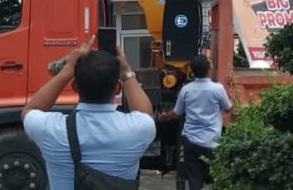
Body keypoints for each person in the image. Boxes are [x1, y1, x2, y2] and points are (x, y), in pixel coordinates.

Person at [22, 36, 156, 190]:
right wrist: (126, 71)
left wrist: (67, 70)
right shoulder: (138, 130)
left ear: (74, 87)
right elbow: (146, 114)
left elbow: (30, 110)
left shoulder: (51, 129)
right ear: (118, 89)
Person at [161, 54, 232, 190]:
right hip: (212, 143)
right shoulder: (218, 89)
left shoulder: (186, 90)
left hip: (191, 142)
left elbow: (176, 113)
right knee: (216, 180)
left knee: (195, 181)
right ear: (209, 69)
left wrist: (163, 116)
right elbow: (228, 109)